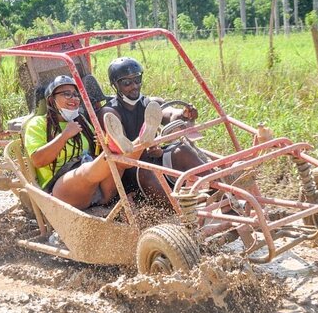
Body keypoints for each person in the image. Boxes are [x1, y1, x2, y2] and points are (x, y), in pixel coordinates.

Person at [24, 75, 162, 210]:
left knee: (116, 161)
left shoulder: (81, 121)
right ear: (51, 100)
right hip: (61, 191)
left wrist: (101, 147)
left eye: (76, 95)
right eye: (67, 94)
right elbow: (38, 160)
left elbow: (94, 154)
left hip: (98, 190)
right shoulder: (38, 124)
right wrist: (64, 135)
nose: (74, 98)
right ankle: (122, 145)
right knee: (87, 168)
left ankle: (142, 139)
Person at [98, 57, 208, 203]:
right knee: (147, 169)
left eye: (137, 80)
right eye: (127, 83)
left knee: (182, 151)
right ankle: (183, 214)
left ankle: (225, 193)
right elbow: (122, 154)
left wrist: (183, 114)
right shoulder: (110, 112)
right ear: (115, 85)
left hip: (154, 157)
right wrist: (143, 149)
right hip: (130, 169)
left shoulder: (150, 103)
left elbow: (169, 113)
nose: (134, 86)